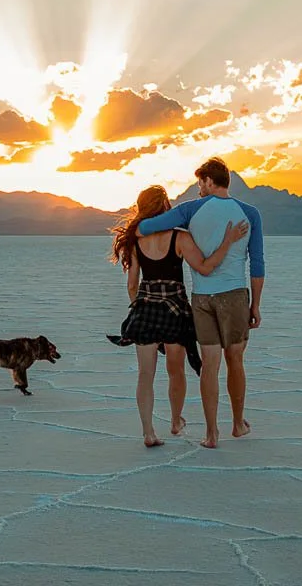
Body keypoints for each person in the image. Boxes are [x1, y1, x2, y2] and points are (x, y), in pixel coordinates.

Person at [138, 157, 264, 449]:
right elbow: (257, 263)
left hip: (201, 298)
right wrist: (255, 305)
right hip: (234, 295)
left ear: (209, 181)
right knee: (236, 360)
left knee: (210, 365)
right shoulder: (250, 213)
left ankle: (211, 434)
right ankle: (237, 424)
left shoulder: (189, 210)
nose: (199, 189)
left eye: (200, 183)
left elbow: (146, 227)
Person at [110, 185, 248, 448]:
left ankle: (148, 433)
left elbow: (131, 284)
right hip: (175, 311)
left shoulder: (136, 239)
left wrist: (138, 308)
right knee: (176, 371)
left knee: (145, 375)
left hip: (146, 310)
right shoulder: (180, 237)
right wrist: (228, 240)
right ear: (165, 208)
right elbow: (206, 268)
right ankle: (175, 420)